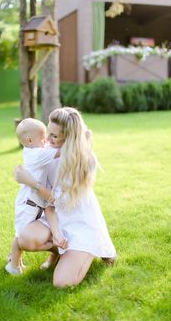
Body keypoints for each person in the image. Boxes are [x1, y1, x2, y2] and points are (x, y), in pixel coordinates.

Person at [15, 107, 117, 287]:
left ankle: (91, 248)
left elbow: (58, 200)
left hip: (79, 223)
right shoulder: (46, 151)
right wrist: (56, 232)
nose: (47, 139)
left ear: (69, 137)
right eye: (48, 132)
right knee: (26, 239)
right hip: (55, 217)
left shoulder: (83, 162)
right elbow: (49, 205)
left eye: (54, 136)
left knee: (62, 283)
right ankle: (59, 250)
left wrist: (32, 182)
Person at [5, 118, 68, 275]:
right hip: (28, 204)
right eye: (43, 137)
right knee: (19, 236)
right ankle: (14, 265)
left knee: (23, 235)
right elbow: (63, 151)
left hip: (37, 204)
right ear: (30, 140)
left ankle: (16, 260)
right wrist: (79, 139)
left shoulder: (36, 149)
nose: (46, 140)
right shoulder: (37, 155)